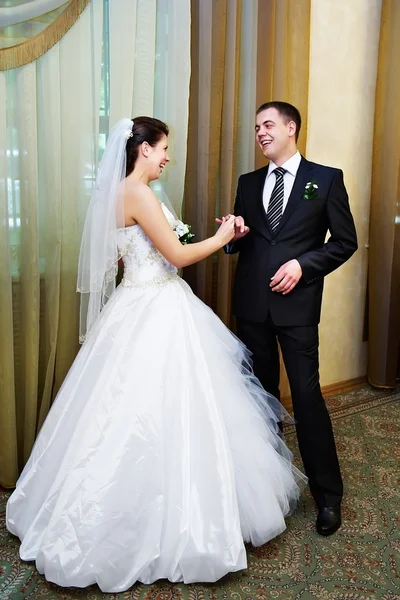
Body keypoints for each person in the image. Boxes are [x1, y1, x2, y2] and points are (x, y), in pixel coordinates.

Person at [6, 116, 306, 593]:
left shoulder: (127, 193)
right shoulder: (139, 193)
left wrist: (206, 235)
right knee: (157, 409)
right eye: (164, 147)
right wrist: (226, 236)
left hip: (144, 300)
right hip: (156, 305)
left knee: (139, 408)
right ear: (142, 148)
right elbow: (180, 257)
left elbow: (156, 247)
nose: (168, 156)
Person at [219, 101, 358, 537]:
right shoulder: (248, 182)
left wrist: (304, 265)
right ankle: (270, 489)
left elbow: (345, 242)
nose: (260, 132)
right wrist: (233, 237)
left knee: (306, 396)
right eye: (256, 127)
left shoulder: (326, 179)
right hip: (252, 307)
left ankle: (328, 496)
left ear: (290, 127)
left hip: (297, 308)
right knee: (260, 398)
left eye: (267, 124)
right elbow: (242, 243)